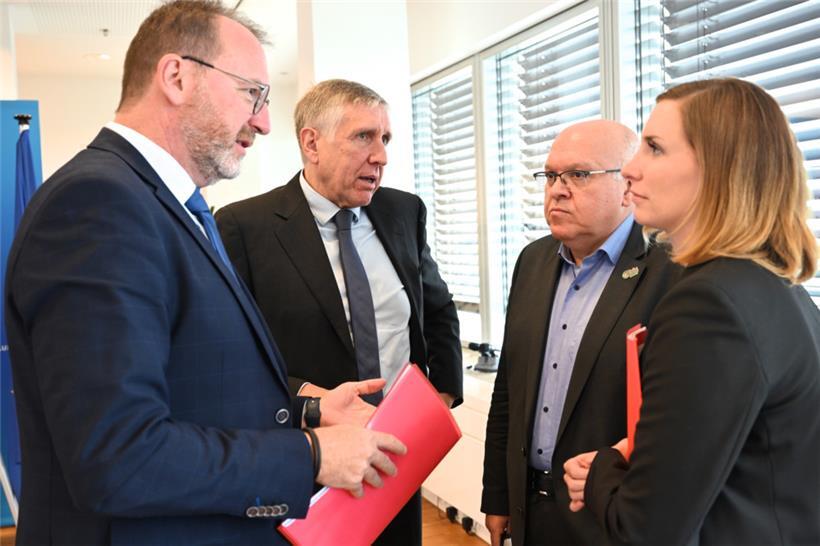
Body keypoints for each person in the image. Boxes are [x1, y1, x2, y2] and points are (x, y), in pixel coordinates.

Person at [4, 2, 406, 545]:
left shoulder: (171, 205)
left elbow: (195, 384)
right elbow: (119, 457)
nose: (264, 122)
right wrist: (309, 455)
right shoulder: (97, 204)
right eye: (252, 94)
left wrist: (308, 408)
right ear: (176, 77)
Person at [564, 78, 820, 544]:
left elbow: (646, 530)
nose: (631, 170)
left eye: (655, 148)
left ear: (720, 168)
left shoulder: (709, 306)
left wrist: (602, 470)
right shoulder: (777, 288)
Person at [215, 78, 463, 545]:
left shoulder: (403, 212)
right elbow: (232, 356)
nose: (381, 156)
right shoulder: (243, 227)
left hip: (396, 456)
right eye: (364, 136)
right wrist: (308, 405)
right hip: (306, 460)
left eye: (385, 138)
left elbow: (437, 309)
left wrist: (441, 396)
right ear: (312, 143)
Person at [481, 119, 681, 545]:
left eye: (578, 175)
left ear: (627, 187)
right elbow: (508, 391)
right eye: (551, 176)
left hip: (607, 516)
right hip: (529, 507)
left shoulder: (671, 272)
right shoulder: (532, 261)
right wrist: (498, 495)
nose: (557, 190)